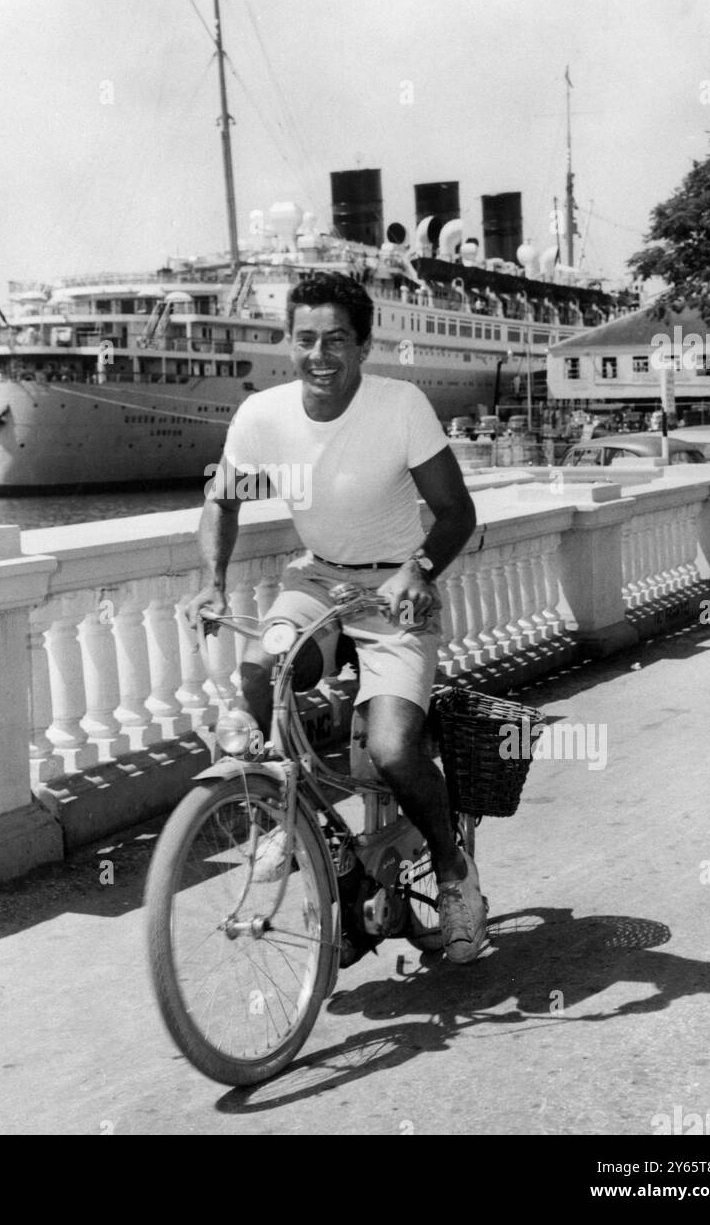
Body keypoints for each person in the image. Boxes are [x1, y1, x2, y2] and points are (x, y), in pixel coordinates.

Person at [185, 270, 486, 964]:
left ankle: (452, 874)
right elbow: (220, 501)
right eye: (304, 340)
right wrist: (212, 582)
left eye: (335, 341)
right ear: (288, 343)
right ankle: (294, 823)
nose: (318, 356)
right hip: (318, 579)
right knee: (261, 673)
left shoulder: (399, 405)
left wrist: (419, 570)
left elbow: (455, 512)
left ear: (363, 345)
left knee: (391, 749)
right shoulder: (262, 416)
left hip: (393, 592)